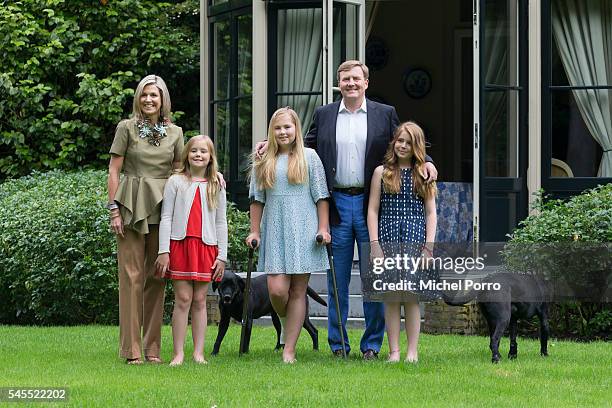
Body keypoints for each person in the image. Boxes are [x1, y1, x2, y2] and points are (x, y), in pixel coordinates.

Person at [303, 60, 438, 359]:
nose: (350, 83)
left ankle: (372, 346)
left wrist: (428, 162)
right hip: (335, 202)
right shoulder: (324, 114)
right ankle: (338, 345)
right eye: (344, 79)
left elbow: (406, 142)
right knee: (336, 278)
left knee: (375, 277)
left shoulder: (383, 113)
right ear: (339, 83)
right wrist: (268, 144)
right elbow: (306, 145)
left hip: (371, 204)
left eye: (355, 78)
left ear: (366, 82)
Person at [108, 75, 184, 364]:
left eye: (154, 95)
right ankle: (131, 350)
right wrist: (113, 209)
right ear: (138, 98)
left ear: (163, 99)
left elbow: (180, 170)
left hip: (163, 207)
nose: (149, 100)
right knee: (131, 277)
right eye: (144, 95)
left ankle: (152, 349)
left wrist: (211, 175)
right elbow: (114, 170)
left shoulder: (176, 132)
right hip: (129, 204)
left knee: (157, 275)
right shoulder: (126, 128)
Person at [246, 107, 331, 364]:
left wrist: (323, 228)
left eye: (287, 127)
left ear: (296, 129)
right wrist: (254, 230)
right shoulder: (264, 159)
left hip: (304, 229)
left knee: (297, 291)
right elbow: (256, 199)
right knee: (277, 290)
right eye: (278, 128)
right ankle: (286, 321)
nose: (283, 132)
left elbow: (321, 196)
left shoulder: (310, 157)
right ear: (271, 131)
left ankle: (289, 350)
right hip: (275, 230)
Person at [367, 122, 438, 363]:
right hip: (387, 238)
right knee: (391, 295)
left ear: (416, 146)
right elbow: (373, 210)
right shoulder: (381, 172)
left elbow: (431, 212)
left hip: (415, 239)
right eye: (399, 141)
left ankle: (412, 352)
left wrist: (429, 247)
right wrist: (375, 244)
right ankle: (394, 351)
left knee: (411, 295)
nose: (403, 146)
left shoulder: (423, 173)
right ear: (393, 142)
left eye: (408, 142)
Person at [155, 135, 227, 366]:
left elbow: (221, 222)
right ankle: (178, 353)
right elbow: (166, 216)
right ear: (187, 154)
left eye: (203, 152)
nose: (198, 155)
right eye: (194, 150)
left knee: (200, 300)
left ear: (210, 157)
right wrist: (163, 250)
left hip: (206, 247)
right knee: (183, 299)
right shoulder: (176, 182)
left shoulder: (216, 183)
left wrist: (222, 256)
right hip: (180, 245)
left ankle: (198, 353)